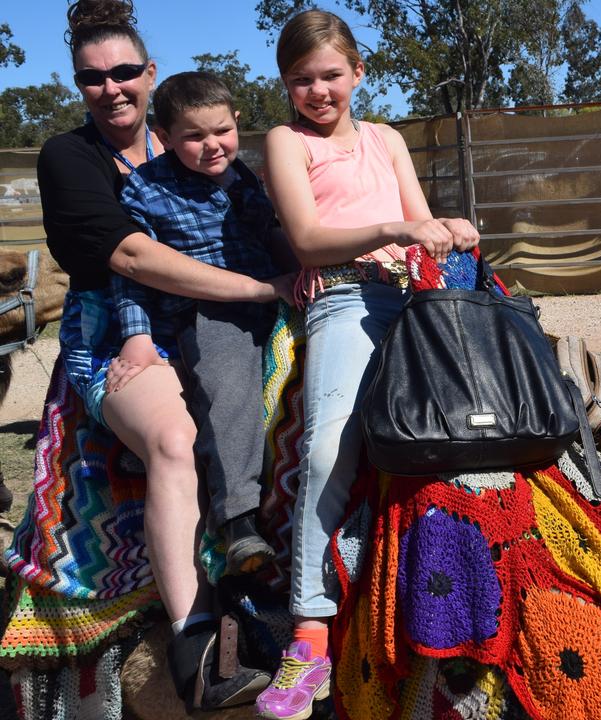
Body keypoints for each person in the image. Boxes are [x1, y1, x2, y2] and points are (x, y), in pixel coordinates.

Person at [36, 0, 276, 711]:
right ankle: (195, 641)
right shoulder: (68, 158)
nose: (111, 88)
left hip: (225, 308)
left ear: (151, 73)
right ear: (77, 85)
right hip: (121, 324)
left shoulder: (198, 147)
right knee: (174, 439)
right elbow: (136, 260)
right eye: (92, 78)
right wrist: (265, 287)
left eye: (124, 71)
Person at [254, 9, 479, 719]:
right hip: (345, 297)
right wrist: (396, 228)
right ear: (287, 86)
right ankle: (311, 626)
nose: (319, 91)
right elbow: (310, 239)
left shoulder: (385, 139)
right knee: (327, 443)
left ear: (358, 72)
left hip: (412, 294)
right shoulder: (286, 142)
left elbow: (423, 219)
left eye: (330, 76)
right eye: (302, 80)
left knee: (494, 413)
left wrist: (450, 230)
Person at [107, 70, 294, 576]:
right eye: (194, 136)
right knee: (226, 379)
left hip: (270, 296)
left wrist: (303, 275)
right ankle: (238, 521)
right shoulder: (145, 188)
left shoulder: (246, 178)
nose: (212, 146)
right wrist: (137, 337)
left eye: (222, 131)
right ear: (164, 138)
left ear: (236, 122)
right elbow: (131, 273)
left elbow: (270, 233)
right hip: (208, 309)